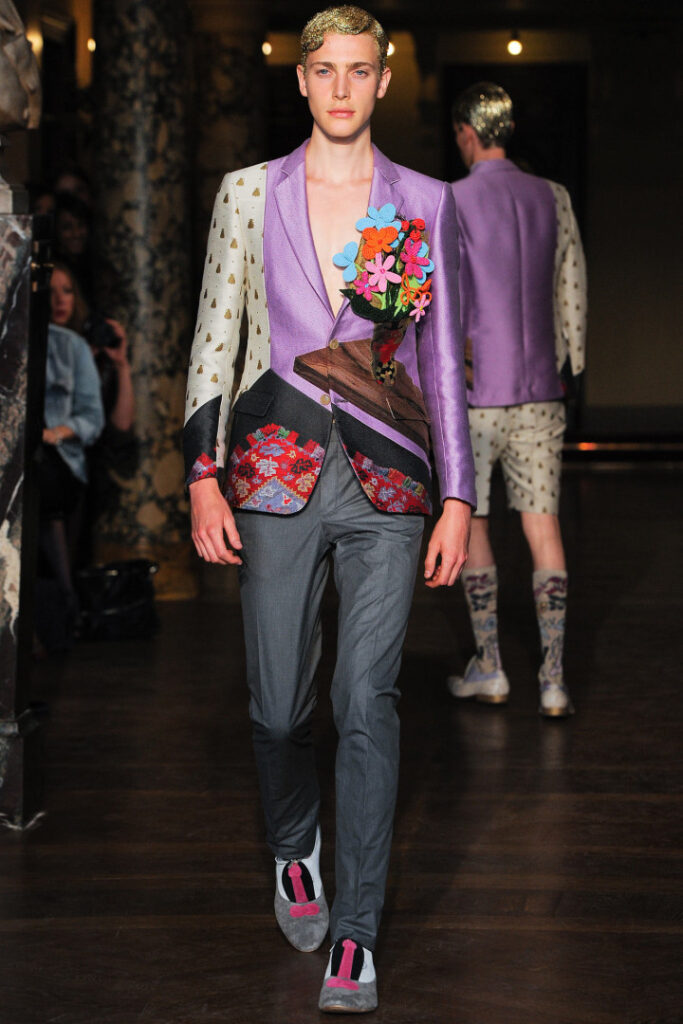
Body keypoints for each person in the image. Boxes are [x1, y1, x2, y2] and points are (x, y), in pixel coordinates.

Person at [183, 5, 475, 1013]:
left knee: (365, 699)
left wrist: (457, 494)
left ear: (383, 80)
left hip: (390, 478)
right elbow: (214, 335)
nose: (341, 87)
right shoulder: (246, 193)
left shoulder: (426, 200)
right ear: (300, 78)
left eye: (359, 70)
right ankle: (290, 840)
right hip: (273, 467)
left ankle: (355, 932)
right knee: (276, 707)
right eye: (325, 70)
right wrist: (200, 472)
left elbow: (440, 358)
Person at [448, 82, 587, 718]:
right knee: (543, 526)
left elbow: (447, 296)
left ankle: (492, 666)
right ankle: (553, 678)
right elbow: (571, 287)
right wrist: (571, 364)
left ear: (467, 133)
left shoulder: (452, 199)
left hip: (475, 390)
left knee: (473, 522)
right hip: (540, 391)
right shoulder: (553, 196)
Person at [50, 262, 136, 562]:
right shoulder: (40, 349)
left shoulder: (88, 350)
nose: (59, 300)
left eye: (66, 291)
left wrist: (120, 364)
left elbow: (121, 424)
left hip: (85, 465)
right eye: (50, 291)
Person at [37, 317, 104, 648]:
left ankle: (65, 604)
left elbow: (93, 418)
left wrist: (53, 434)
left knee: (41, 483)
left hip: (58, 456)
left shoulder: (69, 345)